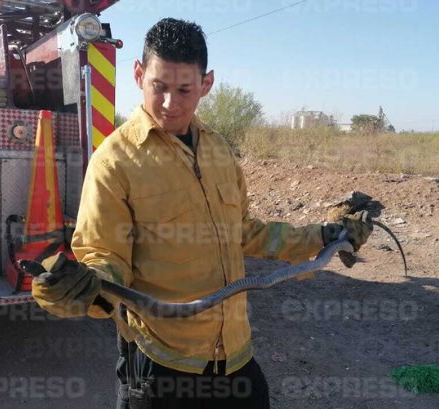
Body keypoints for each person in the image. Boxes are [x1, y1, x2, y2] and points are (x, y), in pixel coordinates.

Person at [31, 18, 373, 409]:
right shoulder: (114, 162)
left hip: (236, 359)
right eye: (158, 86)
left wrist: (323, 237)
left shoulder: (218, 149)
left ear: (206, 85)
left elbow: (246, 231)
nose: (169, 103)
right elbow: (104, 259)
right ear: (139, 75)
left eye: (184, 90)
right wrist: (81, 288)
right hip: (162, 370)